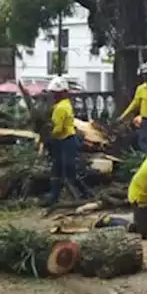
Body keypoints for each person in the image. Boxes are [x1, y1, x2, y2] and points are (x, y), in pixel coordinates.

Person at [41, 76, 92, 207]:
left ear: (61, 93)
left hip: (65, 141)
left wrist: (49, 136)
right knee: (58, 169)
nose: (53, 95)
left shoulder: (60, 108)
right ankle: (54, 196)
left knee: (67, 169)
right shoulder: (65, 104)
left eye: (54, 93)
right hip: (65, 140)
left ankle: (86, 193)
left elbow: (58, 128)